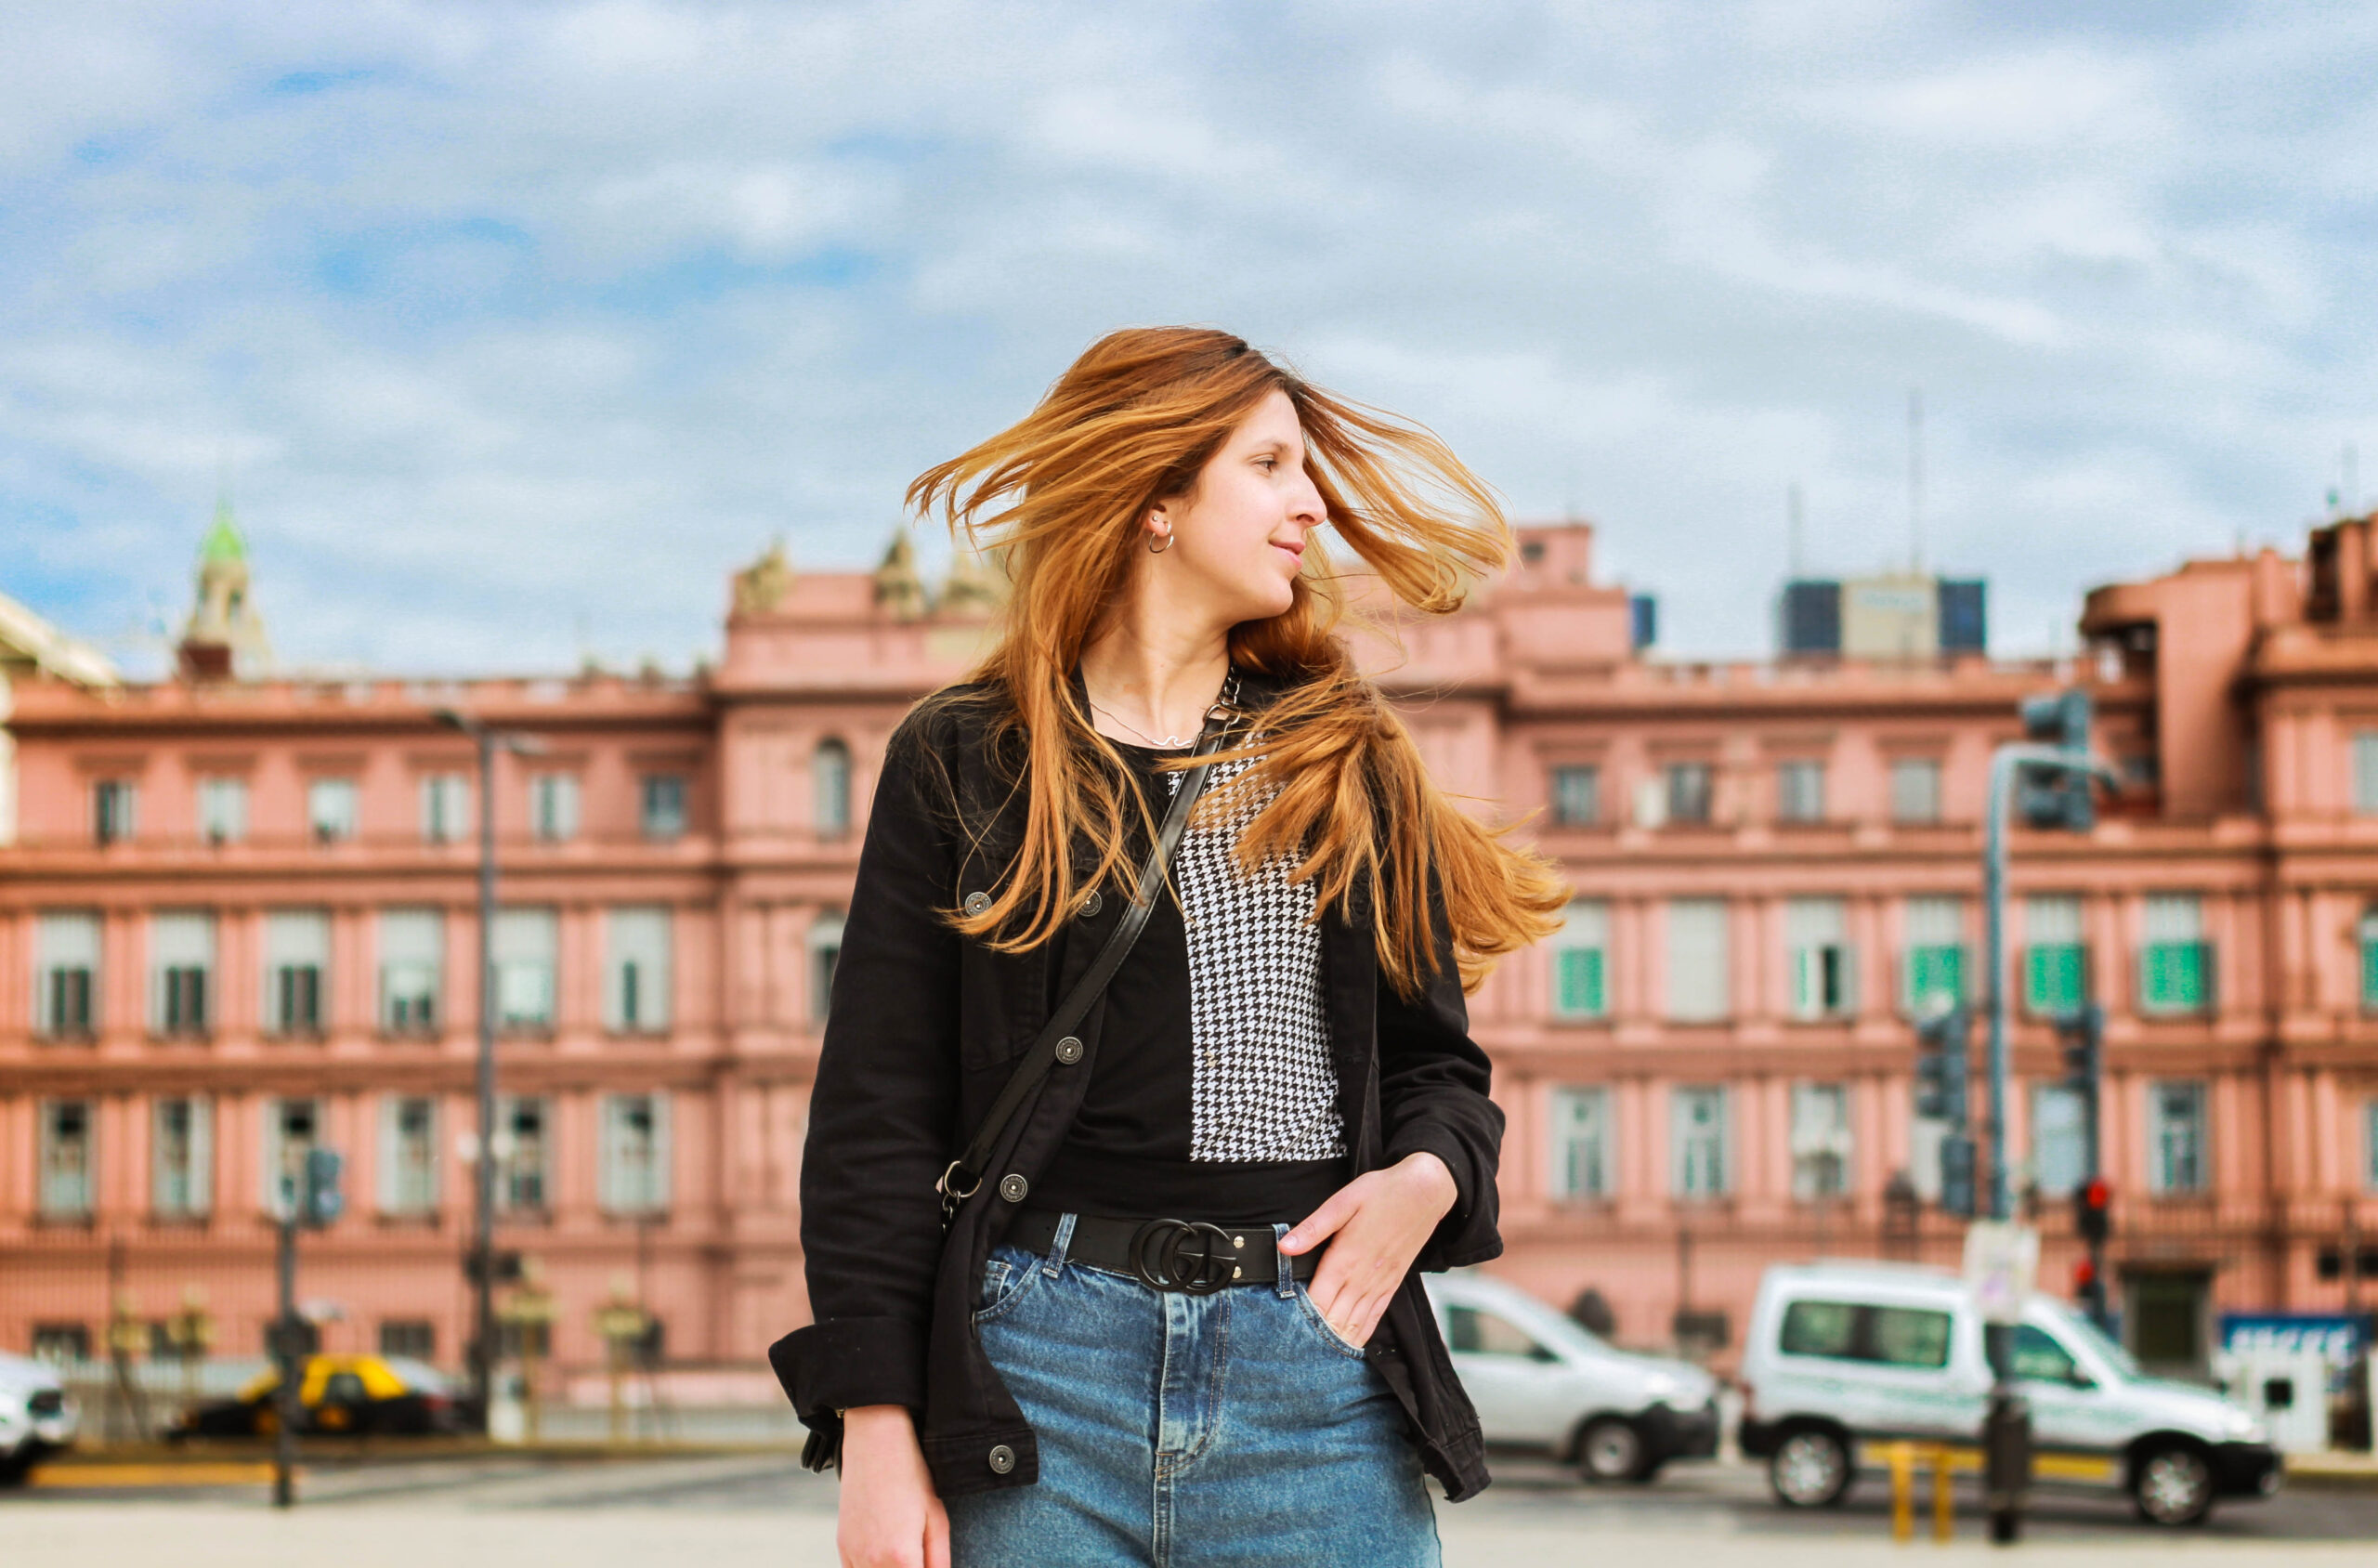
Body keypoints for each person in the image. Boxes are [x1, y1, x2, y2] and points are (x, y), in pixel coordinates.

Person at [770, 327, 1564, 1568]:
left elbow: (1437, 1073)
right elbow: (876, 1113)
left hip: (1315, 1379)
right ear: (1154, 499)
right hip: (1036, 1387)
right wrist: (874, 1426)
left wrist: (1426, 1185)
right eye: (1269, 466)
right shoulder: (966, 756)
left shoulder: (1340, 752)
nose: (1310, 504)